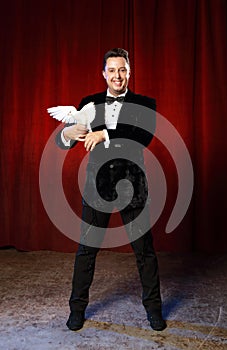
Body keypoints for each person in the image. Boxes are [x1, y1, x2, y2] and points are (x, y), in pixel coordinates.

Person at [55, 48, 166, 331]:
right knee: (86, 251)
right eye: (112, 70)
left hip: (133, 187)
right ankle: (77, 310)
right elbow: (66, 139)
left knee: (145, 252)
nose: (118, 75)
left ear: (129, 72)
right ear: (104, 73)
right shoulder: (89, 103)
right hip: (97, 187)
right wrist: (65, 135)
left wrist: (104, 133)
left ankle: (154, 309)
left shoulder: (145, 104)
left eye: (123, 70)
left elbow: (142, 136)